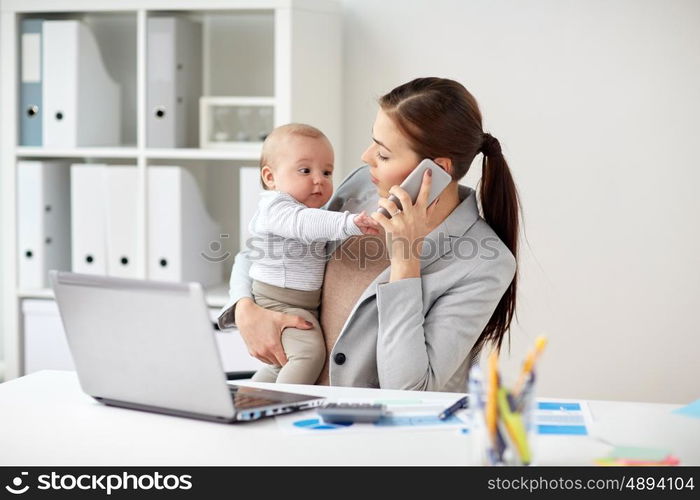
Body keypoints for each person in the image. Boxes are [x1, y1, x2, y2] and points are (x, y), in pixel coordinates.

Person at [218, 77, 521, 392]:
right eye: (373, 143)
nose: (365, 157)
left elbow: (409, 389)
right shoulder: (361, 188)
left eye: (384, 154)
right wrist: (245, 308)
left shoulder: (485, 262)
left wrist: (406, 261)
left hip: (376, 433)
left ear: (435, 170)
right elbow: (265, 243)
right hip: (297, 413)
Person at [242, 123, 379, 384]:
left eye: (327, 172)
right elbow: (305, 224)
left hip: (298, 302)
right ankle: (283, 404)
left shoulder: (306, 207)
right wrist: (350, 224)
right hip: (277, 300)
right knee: (308, 352)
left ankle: (252, 396)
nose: (319, 179)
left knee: (280, 363)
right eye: (305, 170)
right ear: (270, 177)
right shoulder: (277, 208)